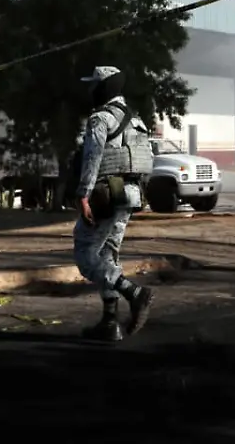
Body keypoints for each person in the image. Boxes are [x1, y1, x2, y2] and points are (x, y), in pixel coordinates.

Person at [73, 66, 156, 342]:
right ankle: (110, 324)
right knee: (108, 256)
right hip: (130, 195)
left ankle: (134, 293)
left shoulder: (100, 119)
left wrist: (83, 194)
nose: (89, 91)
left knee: (85, 256)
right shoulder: (136, 120)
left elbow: (92, 159)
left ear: (103, 88)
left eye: (93, 85)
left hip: (106, 195)